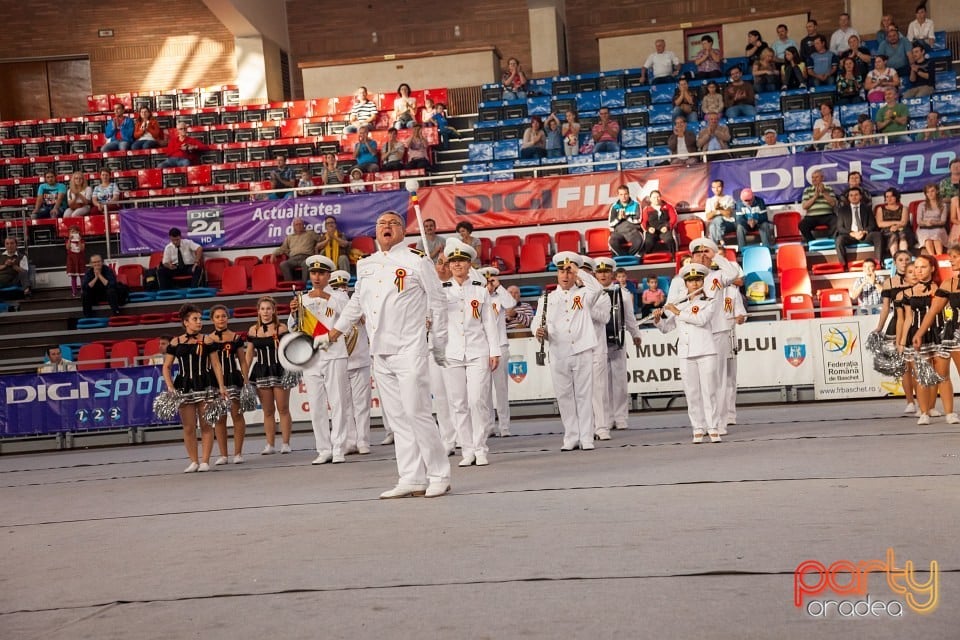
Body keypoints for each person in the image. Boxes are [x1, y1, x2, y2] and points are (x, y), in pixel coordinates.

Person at [327, 210, 452, 499]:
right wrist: (338, 329)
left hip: (410, 348)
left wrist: (440, 342)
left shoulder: (417, 261)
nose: (386, 227)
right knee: (397, 419)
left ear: (402, 231)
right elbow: (357, 300)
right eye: (381, 223)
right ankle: (411, 477)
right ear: (375, 230)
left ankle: (439, 474)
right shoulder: (367, 264)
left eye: (393, 223)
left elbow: (438, 302)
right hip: (379, 351)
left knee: (416, 412)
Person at [532, 252, 604, 451]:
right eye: (562, 271)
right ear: (556, 274)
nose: (565, 275)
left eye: (569, 271)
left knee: (584, 394)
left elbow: (597, 288)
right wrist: (538, 330)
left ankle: (587, 437)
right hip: (558, 350)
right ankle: (571, 436)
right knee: (564, 396)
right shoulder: (547, 298)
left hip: (581, 349)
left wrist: (578, 270)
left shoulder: (583, 294)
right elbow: (537, 321)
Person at [288, 255, 352, 464]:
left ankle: (339, 447)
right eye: (314, 273)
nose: (316, 277)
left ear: (328, 275)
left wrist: (326, 297)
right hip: (312, 356)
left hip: (334, 353)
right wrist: (293, 312)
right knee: (316, 404)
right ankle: (323, 448)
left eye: (321, 273)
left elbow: (349, 320)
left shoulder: (340, 297)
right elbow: (293, 327)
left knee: (338, 402)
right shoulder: (302, 298)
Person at [441, 242, 500, 466]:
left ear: (469, 264)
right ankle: (466, 449)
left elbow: (489, 323)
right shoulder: (441, 291)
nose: (457, 264)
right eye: (453, 261)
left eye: (462, 260)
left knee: (478, 400)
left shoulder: (479, 288)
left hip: (478, 350)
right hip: (451, 352)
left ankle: (480, 447)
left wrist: (494, 351)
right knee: (458, 403)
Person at [654, 263, 723, 443]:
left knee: (709, 391)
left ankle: (713, 426)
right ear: (686, 283)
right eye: (690, 281)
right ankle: (697, 427)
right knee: (692, 393)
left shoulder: (709, 301)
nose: (694, 284)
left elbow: (701, 320)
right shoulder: (680, 302)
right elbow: (667, 328)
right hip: (685, 352)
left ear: (702, 281)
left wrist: (677, 311)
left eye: (697, 280)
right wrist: (658, 320)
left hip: (706, 351)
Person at [161, 303, 228, 474]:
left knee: (206, 424)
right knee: (189, 427)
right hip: (184, 386)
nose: (199, 322)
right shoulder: (175, 342)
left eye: (200, 319)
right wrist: (170, 386)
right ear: (185, 322)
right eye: (195, 319)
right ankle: (193, 461)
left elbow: (216, 364)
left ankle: (205, 461)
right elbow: (166, 366)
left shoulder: (208, 340)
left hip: (204, 384)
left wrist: (221, 386)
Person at [904, 254, 955, 425]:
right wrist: (904, 340)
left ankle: (950, 413)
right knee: (922, 376)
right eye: (916, 267)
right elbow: (908, 319)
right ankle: (924, 412)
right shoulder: (908, 292)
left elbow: (941, 311)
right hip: (919, 333)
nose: (918, 271)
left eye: (923, 267)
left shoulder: (942, 287)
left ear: (932, 268)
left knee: (943, 375)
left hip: (940, 333)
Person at [329, 269, 372, 455]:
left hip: (360, 357)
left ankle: (363, 441)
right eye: (336, 287)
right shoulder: (330, 305)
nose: (341, 290)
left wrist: (362, 316)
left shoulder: (360, 302)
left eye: (343, 286)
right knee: (344, 404)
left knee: (362, 403)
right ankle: (350, 440)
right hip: (340, 360)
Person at [595, 257, 641, 432]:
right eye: (600, 272)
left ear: (612, 274)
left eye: (606, 271)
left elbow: (629, 316)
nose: (603, 275)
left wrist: (635, 333)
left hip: (617, 341)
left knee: (619, 381)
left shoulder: (622, 293)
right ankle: (605, 418)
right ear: (595, 274)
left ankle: (620, 417)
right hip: (597, 342)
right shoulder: (590, 292)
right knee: (601, 383)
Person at [245, 296, 293, 455]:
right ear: (258, 311)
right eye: (262, 309)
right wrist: (245, 375)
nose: (265, 312)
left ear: (274, 311)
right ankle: (270, 444)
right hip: (261, 371)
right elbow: (250, 353)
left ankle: (285, 443)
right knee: (268, 411)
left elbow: (288, 350)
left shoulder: (282, 328)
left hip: (280, 369)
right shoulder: (253, 330)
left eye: (268, 308)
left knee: (283, 408)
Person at [577, 257, 614, 442]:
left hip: (597, 346)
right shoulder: (573, 294)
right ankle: (586, 427)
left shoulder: (603, 295)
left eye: (585, 272)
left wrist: (586, 310)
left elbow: (605, 318)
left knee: (599, 390)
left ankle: (602, 426)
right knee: (582, 392)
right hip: (578, 349)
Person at [875, 250, 916, 413]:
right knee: (904, 365)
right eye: (901, 259)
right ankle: (910, 402)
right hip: (898, 323)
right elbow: (886, 308)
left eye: (907, 259)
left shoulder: (916, 279)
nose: (904, 262)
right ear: (895, 262)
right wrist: (879, 327)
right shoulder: (889, 283)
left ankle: (927, 404)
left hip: (916, 322)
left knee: (920, 365)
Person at [478, 265, 516, 440]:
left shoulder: (500, 296)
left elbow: (511, 304)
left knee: (501, 389)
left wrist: (499, 287)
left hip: (500, 346)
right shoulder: (478, 296)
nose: (490, 283)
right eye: (487, 280)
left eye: (492, 280)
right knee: (483, 391)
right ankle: (488, 425)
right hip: (481, 347)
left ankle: (505, 425)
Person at [208, 304, 248, 465]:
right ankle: (223, 455)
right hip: (215, 381)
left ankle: (238, 453)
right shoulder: (207, 339)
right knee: (219, 418)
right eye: (217, 317)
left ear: (228, 318)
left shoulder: (236, 338)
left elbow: (243, 361)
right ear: (212, 319)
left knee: (237, 415)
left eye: (223, 316)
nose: (221, 319)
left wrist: (245, 380)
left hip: (233, 379)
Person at [835, 187, 883, 271]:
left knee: (877, 235)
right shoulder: (843, 210)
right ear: (848, 197)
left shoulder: (867, 209)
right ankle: (843, 265)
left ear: (860, 196)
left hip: (864, 235)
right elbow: (840, 228)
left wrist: (864, 232)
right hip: (850, 236)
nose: (854, 197)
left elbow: (872, 225)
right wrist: (852, 233)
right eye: (851, 195)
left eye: (856, 195)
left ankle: (878, 262)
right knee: (839, 239)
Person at [272, 218, 321, 283]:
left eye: (300, 224)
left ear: (303, 225)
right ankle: (290, 285)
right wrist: (274, 254)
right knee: (283, 264)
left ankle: (305, 285)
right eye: (296, 224)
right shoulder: (290, 237)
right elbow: (283, 248)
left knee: (305, 264)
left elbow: (321, 240)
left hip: (306, 257)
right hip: (293, 259)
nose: (298, 226)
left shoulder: (310, 234)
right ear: (293, 226)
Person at [799, 169, 838, 243]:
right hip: (811, 216)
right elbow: (804, 206)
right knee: (802, 225)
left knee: (837, 222)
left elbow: (833, 204)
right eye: (812, 177)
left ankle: (832, 241)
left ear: (822, 178)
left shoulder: (829, 189)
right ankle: (812, 242)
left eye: (816, 177)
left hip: (828, 215)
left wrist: (824, 193)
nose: (814, 179)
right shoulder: (807, 190)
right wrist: (815, 196)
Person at [875, 187, 912, 258]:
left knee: (902, 233)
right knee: (893, 235)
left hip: (902, 229)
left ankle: (904, 257)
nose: (889, 199)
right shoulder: (880, 209)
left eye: (891, 196)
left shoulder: (904, 208)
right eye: (887, 197)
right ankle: (896, 258)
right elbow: (880, 224)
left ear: (896, 197)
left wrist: (896, 226)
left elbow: (904, 222)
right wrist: (895, 223)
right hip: (886, 231)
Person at [607, 184, 643, 256]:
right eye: (621, 194)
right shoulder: (614, 207)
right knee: (612, 241)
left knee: (639, 241)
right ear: (618, 195)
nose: (623, 196)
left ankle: (630, 256)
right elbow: (610, 224)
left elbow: (639, 220)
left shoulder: (636, 205)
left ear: (629, 194)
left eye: (625, 194)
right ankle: (623, 256)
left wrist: (627, 217)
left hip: (633, 231)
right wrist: (618, 218)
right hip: (619, 233)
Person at [639, 190, 678, 256]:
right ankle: (646, 258)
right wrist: (648, 228)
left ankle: (674, 256)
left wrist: (667, 226)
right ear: (650, 199)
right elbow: (643, 222)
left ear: (660, 197)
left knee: (670, 240)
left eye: (658, 197)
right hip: (652, 231)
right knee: (648, 242)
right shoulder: (647, 209)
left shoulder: (668, 207)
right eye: (654, 197)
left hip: (665, 229)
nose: (656, 199)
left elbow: (674, 218)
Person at [915, 183, 949, 255]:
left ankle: (939, 257)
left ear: (937, 191)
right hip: (924, 228)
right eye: (928, 192)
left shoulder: (943, 205)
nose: (930, 194)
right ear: (926, 194)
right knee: (927, 238)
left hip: (938, 227)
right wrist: (926, 223)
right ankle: (932, 257)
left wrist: (934, 222)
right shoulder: (921, 205)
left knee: (936, 236)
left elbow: (943, 221)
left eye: (932, 191)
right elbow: (918, 221)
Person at [705, 179, 736, 247]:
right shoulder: (709, 201)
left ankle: (716, 244)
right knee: (712, 227)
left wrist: (717, 210)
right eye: (714, 187)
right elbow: (708, 216)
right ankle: (719, 243)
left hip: (729, 224)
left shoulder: (729, 198)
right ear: (712, 189)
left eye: (718, 187)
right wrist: (719, 211)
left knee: (718, 219)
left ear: (722, 187)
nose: (716, 189)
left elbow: (728, 214)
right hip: (716, 226)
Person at [65, 225, 85, 297]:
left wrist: (79, 240)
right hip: (72, 261)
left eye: (74, 231)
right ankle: (74, 291)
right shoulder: (68, 240)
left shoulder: (81, 240)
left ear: (78, 232)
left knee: (82, 276)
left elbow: (82, 249)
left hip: (80, 260)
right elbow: (67, 248)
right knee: (73, 277)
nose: (73, 233)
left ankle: (83, 291)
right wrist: (69, 240)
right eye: (71, 232)